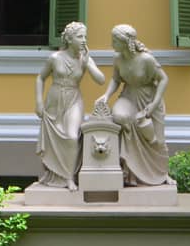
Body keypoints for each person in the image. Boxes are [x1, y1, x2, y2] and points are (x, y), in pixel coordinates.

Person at [94, 23, 171, 186]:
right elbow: (116, 79)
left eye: (114, 41)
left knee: (157, 141)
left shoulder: (146, 59)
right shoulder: (117, 59)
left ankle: (162, 174)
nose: (111, 44)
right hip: (128, 96)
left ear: (124, 42)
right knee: (119, 116)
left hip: (149, 99)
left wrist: (154, 103)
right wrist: (106, 96)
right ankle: (130, 172)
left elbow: (163, 79)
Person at [34, 20, 106, 189]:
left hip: (74, 98)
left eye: (85, 37)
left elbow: (101, 80)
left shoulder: (85, 59)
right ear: (69, 39)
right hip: (55, 98)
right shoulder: (55, 58)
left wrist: (88, 63)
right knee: (55, 137)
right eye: (80, 37)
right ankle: (53, 175)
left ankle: (68, 177)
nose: (83, 40)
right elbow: (40, 78)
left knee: (72, 137)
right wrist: (38, 102)